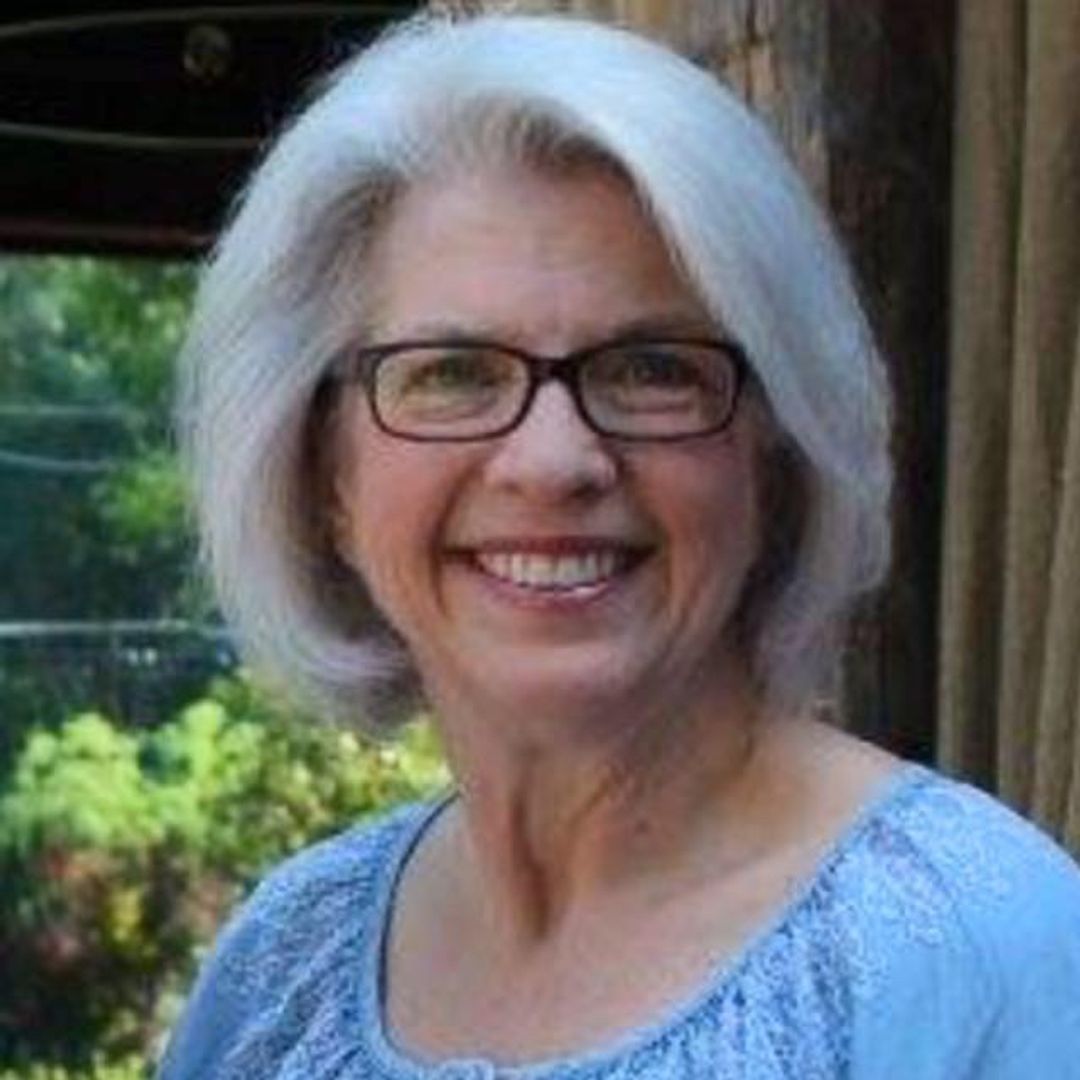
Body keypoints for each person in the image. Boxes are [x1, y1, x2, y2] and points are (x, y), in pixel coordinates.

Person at [159, 11, 1080, 1079]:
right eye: (452, 374)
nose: (554, 461)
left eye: (651, 370)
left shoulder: (991, 955)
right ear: (323, 475)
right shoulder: (277, 977)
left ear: (775, 455)